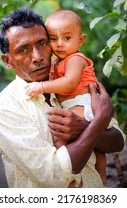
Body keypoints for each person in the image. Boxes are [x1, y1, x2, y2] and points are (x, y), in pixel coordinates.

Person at [0, 7, 124, 188]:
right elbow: (52, 175)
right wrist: (97, 124)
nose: (37, 57)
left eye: (42, 43)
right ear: (8, 61)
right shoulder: (5, 106)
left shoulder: (72, 83)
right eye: (23, 50)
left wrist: (83, 127)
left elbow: (117, 142)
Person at [24, 9, 106, 184]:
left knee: (61, 135)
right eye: (53, 39)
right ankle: (99, 170)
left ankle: (70, 175)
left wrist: (41, 87)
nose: (59, 44)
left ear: (80, 40)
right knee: (96, 138)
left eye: (67, 38)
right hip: (73, 103)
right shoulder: (57, 61)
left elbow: (69, 83)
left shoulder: (76, 59)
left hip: (83, 102)